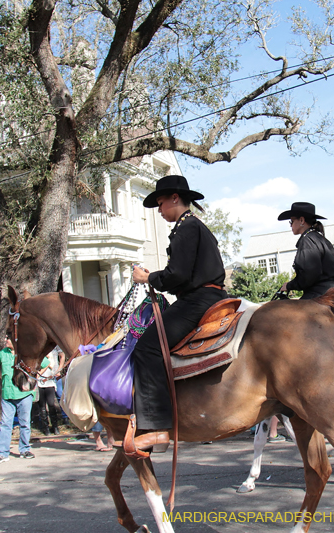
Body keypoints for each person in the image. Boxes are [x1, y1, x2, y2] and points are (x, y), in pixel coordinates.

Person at [130, 175, 227, 454]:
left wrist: (148, 278)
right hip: (207, 296)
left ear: (175, 198)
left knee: (147, 348)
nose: (159, 211)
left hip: (198, 300)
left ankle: (157, 428)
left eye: (160, 203)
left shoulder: (187, 228)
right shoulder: (194, 227)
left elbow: (178, 275)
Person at [0, 336, 46, 463]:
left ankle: (24, 449)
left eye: (8, 338)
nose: (6, 340)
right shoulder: (2, 353)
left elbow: (45, 364)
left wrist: (34, 378)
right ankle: (2, 453)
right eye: (5, 337)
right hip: (7, 394)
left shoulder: (26, 353)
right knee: (5, 423)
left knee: (25, 423)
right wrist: (1, 376)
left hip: (24, 394)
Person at [278, 202, 334, 299]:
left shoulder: (307, 241)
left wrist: (289, 285)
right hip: (333, 291)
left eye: (291, 221)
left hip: (319, 294)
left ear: (302, 220)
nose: (290, 225)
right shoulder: (319, 238)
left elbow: (309, 275)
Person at [35, 347, 61, 435]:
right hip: (40, 383)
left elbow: (54, 365)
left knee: (51, 404)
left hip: (50, 382)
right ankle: (45, 427)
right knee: (42, 406)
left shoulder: (51, 355)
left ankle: (55, 426)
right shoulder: (38, 356)